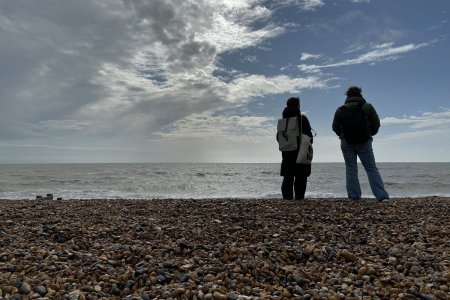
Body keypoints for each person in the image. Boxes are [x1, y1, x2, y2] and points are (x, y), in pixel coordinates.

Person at [332, 86, 389, 201]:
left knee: (351, 169)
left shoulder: (341, 109)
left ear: (347, 96)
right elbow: (376, 123)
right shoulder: (367, 106)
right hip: (364, 141)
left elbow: (334, 127)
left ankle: (354, 197)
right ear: (360, 95)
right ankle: (382, 197)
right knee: (371, 168)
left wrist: (343, 135)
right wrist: (369, 134)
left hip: (346, 142)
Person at [279, 97, 313, 200]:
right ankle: (299, 198)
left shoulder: (283, 121)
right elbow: (309, 136)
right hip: (300, 150)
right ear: (298, 105)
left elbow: (278, 137)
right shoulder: (302, 119)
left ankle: (287, 199)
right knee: (301, 176)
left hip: (287, 151)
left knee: (287, 177)